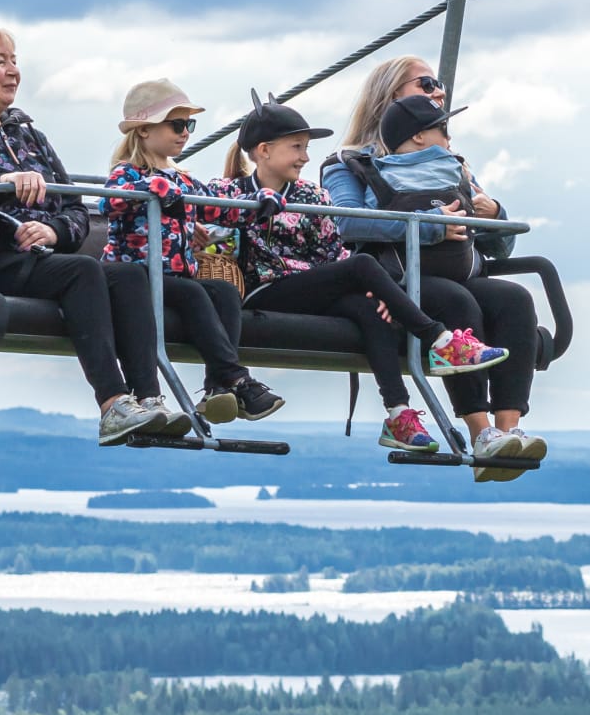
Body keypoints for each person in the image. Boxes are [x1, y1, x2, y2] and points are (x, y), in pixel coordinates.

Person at [0, 23, 188, 445]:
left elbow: (75, 210)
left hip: (39, 259)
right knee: (82, 273)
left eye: (15, 61)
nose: (13, 71)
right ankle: (113, 403)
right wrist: (3, 185)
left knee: (129, 276)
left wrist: (54, 231)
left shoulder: (30, 138)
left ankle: (148, 400)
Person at [218, 93, 509, 455]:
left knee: (368, 307)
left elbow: (331, 251)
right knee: (362, 266)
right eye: (296, 147)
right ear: (264, 150)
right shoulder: (227, 194)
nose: (305, 157)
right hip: (265, 290)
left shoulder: (310, 194)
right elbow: (213, 236)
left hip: (313, 288)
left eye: (306, 148)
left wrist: (379, 293)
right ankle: (438, 338)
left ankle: (398, 414)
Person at [324, 92, 548, 476]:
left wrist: (494, 213)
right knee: (459, 303)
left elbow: (500, 246)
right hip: (404, 277)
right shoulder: (353, 165)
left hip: (459, 270)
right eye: (442, 125)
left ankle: (509, 429)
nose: (437, 92)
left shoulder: (451, 167)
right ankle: (481, 432)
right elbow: (348, 223)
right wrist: (429, 227)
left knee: (515, 299)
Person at [102, 78, 285, 425]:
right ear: (143, 130)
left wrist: (259, 202)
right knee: (191, 292)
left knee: (224, 292)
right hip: (137, 278)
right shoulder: (127, 173)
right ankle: (237, 378)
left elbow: (222, 210)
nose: (185, 132)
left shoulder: (183, 180)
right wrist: (150, 189)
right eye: (176, 124)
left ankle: (219, 387)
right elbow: (110, 201)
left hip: (174, 278)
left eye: (189, 124)